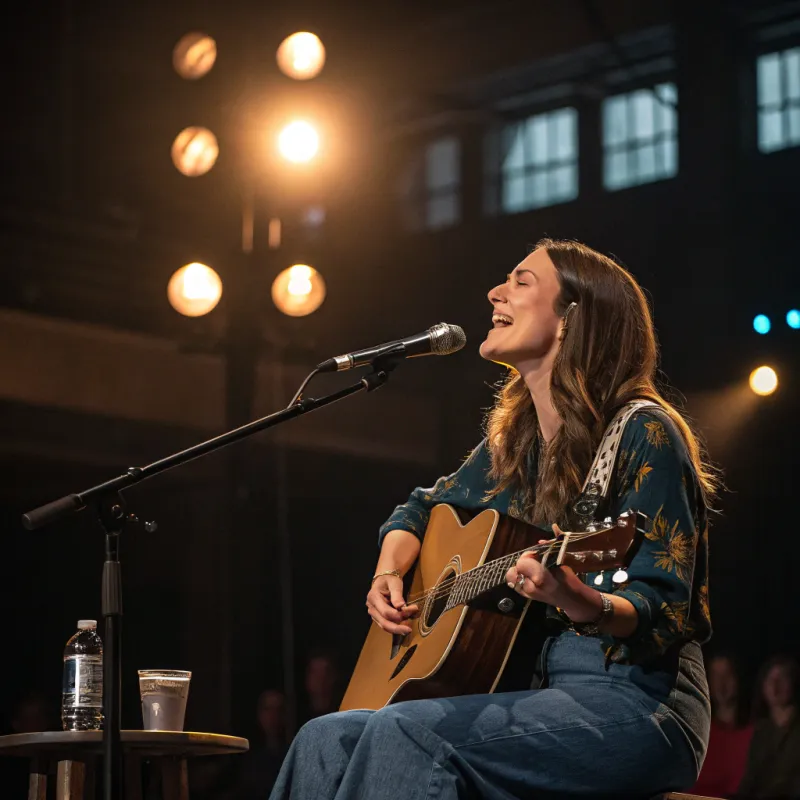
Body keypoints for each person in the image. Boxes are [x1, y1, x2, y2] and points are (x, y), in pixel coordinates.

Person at [270, 238, 717, 799]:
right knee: (322, 739)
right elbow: (422, 508)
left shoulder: (645, 431)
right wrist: (388, 572)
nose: (494, 292)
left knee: (408, 733)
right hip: (537, 691)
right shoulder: (518, 442)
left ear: (572, 317)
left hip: (640, 703)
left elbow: (663, 608)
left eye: (521, 282)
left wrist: (575, 596)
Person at [691, 654, 753, 797]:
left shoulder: (755, 733)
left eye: (727, 674)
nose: (721, 683)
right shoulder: (698, 731)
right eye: (715, 676)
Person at [738, 655, 800, 798]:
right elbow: (750, 779)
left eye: (782, 679)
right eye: (770, 680)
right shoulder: (761, 731)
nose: (775, 686)